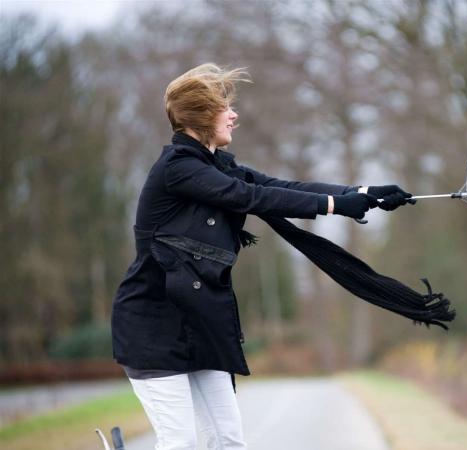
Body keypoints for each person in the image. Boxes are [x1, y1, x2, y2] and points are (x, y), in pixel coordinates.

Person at [110, 63, 413, 450]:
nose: (233, 115)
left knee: (228, 441)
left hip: (201, 322)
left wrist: (364, 191)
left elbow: (278, 186)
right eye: (224, 108)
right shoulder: (178, 169)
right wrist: (337, 205)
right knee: (181, 442)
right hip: (153, 324)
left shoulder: (218, 164)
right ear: (202, 116)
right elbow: (250, 198)